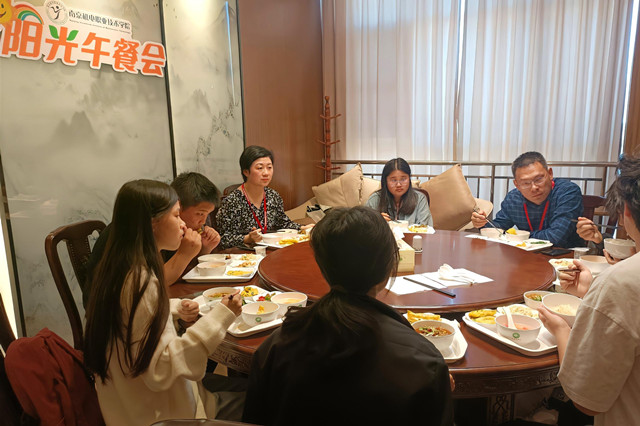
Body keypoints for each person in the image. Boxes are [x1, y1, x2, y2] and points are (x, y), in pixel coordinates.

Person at [242, 206, 454, 425]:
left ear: (322, 264)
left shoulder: (276, 347)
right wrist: (437, 384)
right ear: (389, 265)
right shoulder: (423, 363)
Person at [83, 179, 242, 426]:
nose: (183, 224)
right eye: (177, 215)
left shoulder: (118, 270)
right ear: (152, 223)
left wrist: (174, 307)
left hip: (130, 404)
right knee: (272, 399)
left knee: (258, 387)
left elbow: (139, 319)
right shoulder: (139, 284)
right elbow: (162, 368)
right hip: (167, 416)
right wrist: (221, 315)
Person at [538, 155, 640, 426]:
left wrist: (561, 328)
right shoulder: (617, 282)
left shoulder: (621, 282)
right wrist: (592, 292)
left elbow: (584, 401)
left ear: (626, 211)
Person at [83, 172, 221, 307]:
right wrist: (184, 254)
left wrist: (203, 249)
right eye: (176, 215)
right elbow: (154, 283)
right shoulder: (133, 237)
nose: (204, 222)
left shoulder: (164, 232)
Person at [471, 151, 583, 248]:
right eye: (525, 183)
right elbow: (498, 228)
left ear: (550, 174)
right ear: (517, 184)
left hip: (565, 256)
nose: (534, 188)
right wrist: (482, 223)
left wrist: (517, 236)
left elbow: (556, 237)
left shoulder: (567, 192)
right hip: (525, 256)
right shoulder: (513, 199)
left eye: (539, 179)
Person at [217, 145, 310, 249]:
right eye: (260, 168)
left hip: (270, 249)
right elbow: (223, 239)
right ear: (246, 172)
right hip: (243, 253)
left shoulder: (273, 196)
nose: (266, 173)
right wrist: (247, 238)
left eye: (269, 167)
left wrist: (303, 228)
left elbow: (283, 223)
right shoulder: (232, 201)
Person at [365, 157, 433, 226]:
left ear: (409, 179)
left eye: (403, 179)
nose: (398, 185)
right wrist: (377, 222)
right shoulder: (374, 199)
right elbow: (364, 228)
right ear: (385, 181)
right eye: (393, 180)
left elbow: (426, 228)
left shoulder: (420, 199)